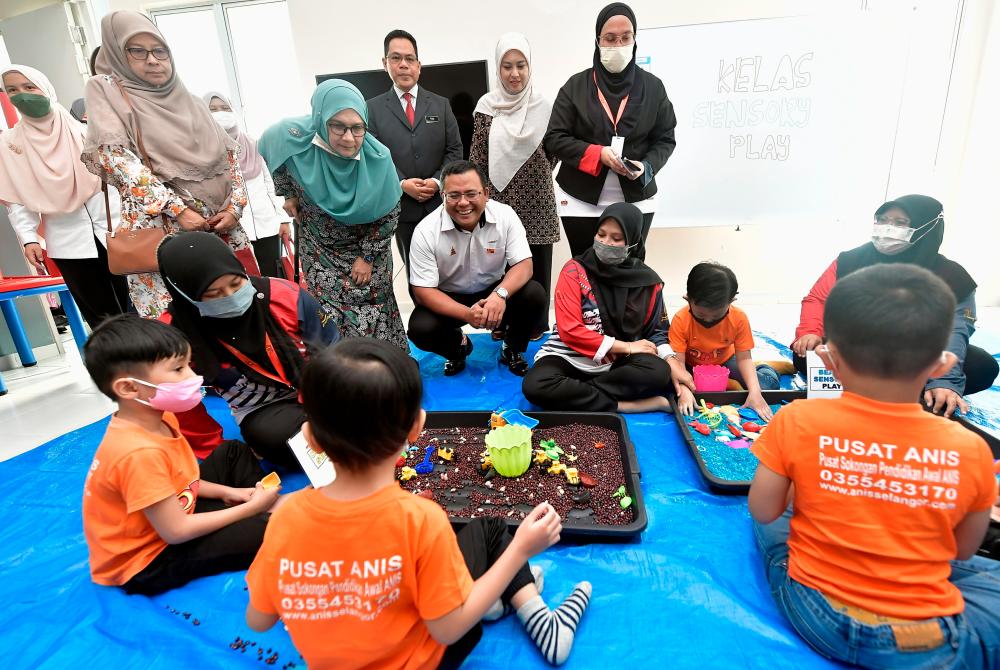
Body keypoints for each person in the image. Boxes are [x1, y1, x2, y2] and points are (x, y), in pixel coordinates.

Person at [245, 338, 592, 668]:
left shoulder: (285, 518)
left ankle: (494, 601)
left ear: (309, 439)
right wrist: (521, 550)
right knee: (492, 531)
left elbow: (259, 620)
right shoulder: (420, 519)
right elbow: (449, 630)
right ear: (417, 427)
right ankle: (542, 623)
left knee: (476, 547)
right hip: (425, 658)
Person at [749, 264, 1000, 669]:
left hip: (817, 612)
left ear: (828, 359)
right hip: (929, 641)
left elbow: (763, 509)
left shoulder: (797, 421)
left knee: (772, 529)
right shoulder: (970, 449)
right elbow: (962, 548)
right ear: (942, 365)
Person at [81, 314, 281, 596]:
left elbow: (182, 480)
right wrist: (251, 509)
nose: (192, 376)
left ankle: (260, 500)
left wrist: (230, 492)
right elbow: (175, 531)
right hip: (149, 558)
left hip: (172, 514)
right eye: (177, 369)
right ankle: (264, 508)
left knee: (231, 451)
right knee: (273, 530)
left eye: (188, 365)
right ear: (128, 387)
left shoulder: (161, 419)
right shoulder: (136, 453)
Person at [82, 10, 254, 319]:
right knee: (176, 324)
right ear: (116, 55)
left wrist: (235, 207)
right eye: (137, 51)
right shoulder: (106, 90)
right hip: (163, 231)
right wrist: (179, 210)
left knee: (236, 310)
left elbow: (230, 158)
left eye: (160, 51)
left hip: (220, 227)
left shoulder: (191, 99)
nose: (153, 60)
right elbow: (117, 157)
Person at [791, 194, 998, 418]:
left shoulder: (953, 278)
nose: (887, 229)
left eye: (900, 223)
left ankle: (913, 393)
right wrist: (810, 331)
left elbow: (954, 332)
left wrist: (945, 380)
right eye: (882, 220)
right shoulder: (850, 260)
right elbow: (819, 299)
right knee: (807, 353)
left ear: (926, 228)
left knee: (981, 366)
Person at [157, 232, 339, 469]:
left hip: (319, 385)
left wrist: (320, 404)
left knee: (377, 389)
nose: (231, 297)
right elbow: (179, 403)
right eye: (213, 294)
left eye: (237, 283)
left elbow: (330, 350)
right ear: (185, 294)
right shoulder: (173, 334)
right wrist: (217, 451)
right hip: (263, 405)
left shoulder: (283, 294)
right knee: (275, 440)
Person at [259, 79, 407, 348]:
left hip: (367, 249)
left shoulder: (379, 158)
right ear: (320, 120)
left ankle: (384, 372)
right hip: (320, 250)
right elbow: (272, 148)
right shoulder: (297, 142)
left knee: (373, 313)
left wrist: (367, 257)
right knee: (328, 317)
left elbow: (389, 215)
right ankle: (343, 376)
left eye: (357, 127)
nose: (349, 138)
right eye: (338, 126)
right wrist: (288, 193)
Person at [523, 203, 691, 412]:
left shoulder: (648, 283)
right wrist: (627, 347)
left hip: (616, 364)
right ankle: (622, 405)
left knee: (658, 372)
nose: (605, 242)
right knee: (535, 385)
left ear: (633, 242)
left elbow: (656, 332)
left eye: (616, 238)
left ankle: (574, 395)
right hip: (569, 356)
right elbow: (569, 331)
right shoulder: (574, 271)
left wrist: (671, 360)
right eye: (601, 234)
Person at [1, 65, 131, 326]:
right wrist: (29, 239)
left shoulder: (86, 131)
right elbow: (17, 199)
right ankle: (122, 365)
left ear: (47, 89)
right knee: (102, 318)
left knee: (135, 304)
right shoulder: (10, 145)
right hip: (67, 240)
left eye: (29, 87)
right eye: (12, 90)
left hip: (116, 230)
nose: (22, 95)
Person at [544, 2, 677, 259]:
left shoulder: (653, 88)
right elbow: (554, 139)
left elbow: (665, 138)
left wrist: (646, 167)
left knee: (630, 272)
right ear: (597, 41)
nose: (618, 45)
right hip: (580, 200)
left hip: (636, 199)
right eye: (610, 38)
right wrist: (597, 154)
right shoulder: (575, 87)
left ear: (635, 39)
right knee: (585, 272)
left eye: (625, 37)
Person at [407, 160, 547, 376]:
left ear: (486, 193)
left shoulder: (505, 215)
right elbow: (423, 291)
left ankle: (512, 347)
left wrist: (499, 295)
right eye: (453, 195)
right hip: (450, 298)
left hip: (494, 292)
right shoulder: (426, 230)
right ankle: (458, 347)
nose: (463, 203)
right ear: (443, 196)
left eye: (471, 194)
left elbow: (524, 265)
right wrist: (468, 314)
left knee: (534, 294)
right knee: (421, 328)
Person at [470, 33, 559, 336]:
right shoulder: (486, 106)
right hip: (498, 202)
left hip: (538, 202)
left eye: (521, 65)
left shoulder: (544, 107)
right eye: (507, 66)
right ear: (498, 69)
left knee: (538, 267)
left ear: (529, 66)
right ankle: (503, 323)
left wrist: (533, 177)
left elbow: (554, 153)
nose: (514, 73)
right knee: (501, 267)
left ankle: (535, 326)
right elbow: (477, 157)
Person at [366, 29, 464, 272]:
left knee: (455, 270)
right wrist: (401, 184)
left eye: (409, 59)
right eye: (396, 58)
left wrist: (437, 181)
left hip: (442, 206)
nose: (403, 65)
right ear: (384, 63)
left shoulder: (441, 105)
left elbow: (455, 150)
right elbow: (374, 158)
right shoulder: (372, 109)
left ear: (419, 65)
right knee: (416, 275)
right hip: (402, 210)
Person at [670, 262, 780, 419]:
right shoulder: (681, 319)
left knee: (767, 387)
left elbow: (744, 357)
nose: (708, 320)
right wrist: (684, 390)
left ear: (731, 301)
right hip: (691, 366)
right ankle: (729, 383)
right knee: (672, 386)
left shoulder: (739, 318)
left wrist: (755, 392)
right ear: (688, 299)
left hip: (726, 361)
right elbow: (678, 363)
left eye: (716, 316)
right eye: (701, 315)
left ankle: (764, 368)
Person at [204, 91, 291, 279]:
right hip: (232, 229)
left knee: (273, 279)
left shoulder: (253, 144)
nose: (220, 113)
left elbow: (271, 184)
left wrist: (283, 219)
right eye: (213, 109)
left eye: (225, 108)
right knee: (243, 279)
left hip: (267, 225)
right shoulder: (203, 150)